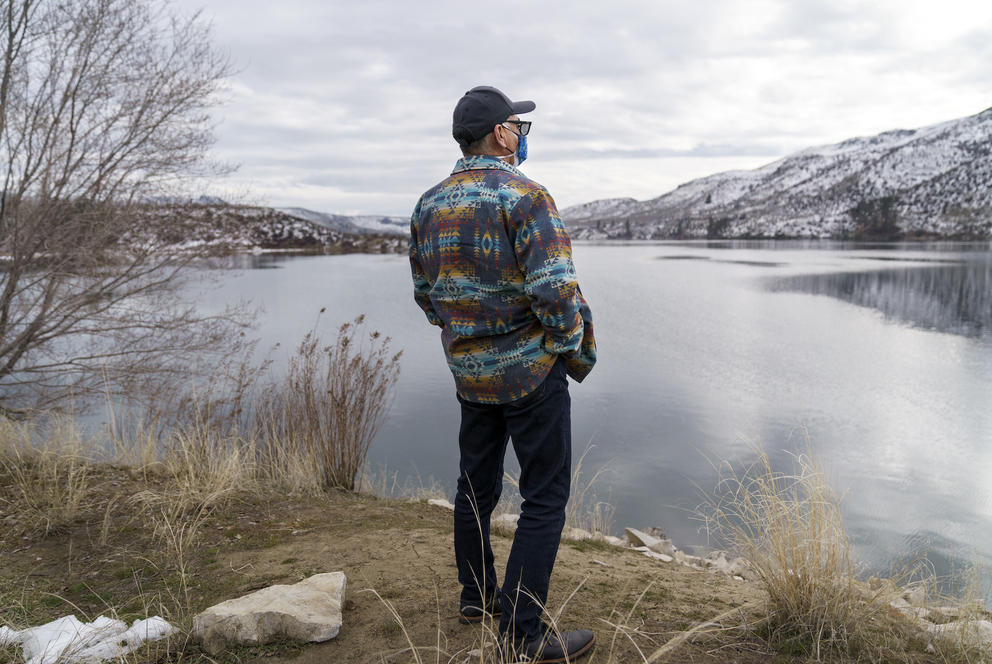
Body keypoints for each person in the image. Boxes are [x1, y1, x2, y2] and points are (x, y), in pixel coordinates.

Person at [409, 85, 597, 663]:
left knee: (475, 487)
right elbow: (556, 292)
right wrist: (571, 352)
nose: (522, 135)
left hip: (470, 377)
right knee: (544, 497)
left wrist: (467, 337)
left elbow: (426, 296)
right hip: (530, 375)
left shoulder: (428, 204)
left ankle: (476, 595)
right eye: (519, 125)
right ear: (500, 133)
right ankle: (524, 635)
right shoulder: (527, 196)